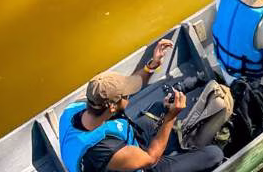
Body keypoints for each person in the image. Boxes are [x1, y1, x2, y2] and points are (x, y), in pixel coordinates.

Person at [57, 48, 224, 172]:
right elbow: (150, 159)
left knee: (159, 107)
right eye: (125, 96)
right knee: (214, 155)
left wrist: (151, 66)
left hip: (127, 144)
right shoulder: (103, 149)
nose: (129, 97)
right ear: (112, 106)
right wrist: (171, 117)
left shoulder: (77, 107)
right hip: (140, 162)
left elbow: (128, 86)